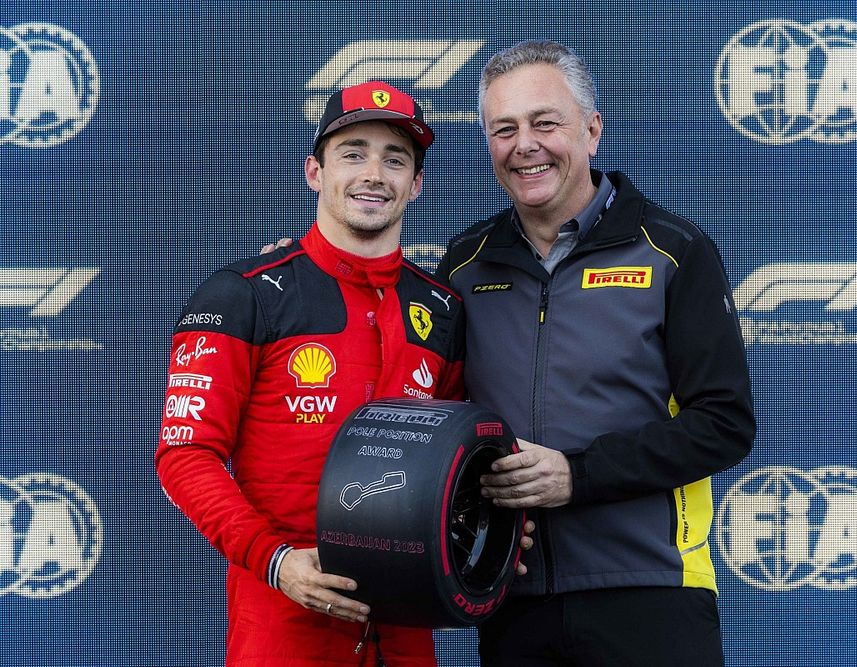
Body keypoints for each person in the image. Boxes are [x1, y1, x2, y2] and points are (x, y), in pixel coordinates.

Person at [434, 40, 756, 666]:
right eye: (504, 129)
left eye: (544, 122)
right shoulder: (465, 265)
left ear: (591, 129)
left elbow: (724, 425)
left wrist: (577, 476)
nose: (524, 144)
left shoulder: (671, 251)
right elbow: (440, 414)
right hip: (511, 601)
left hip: (650, 594)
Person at [156, 81, 468, 666]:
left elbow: (461, 465)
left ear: (416, 184)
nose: (374, 173)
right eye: (353, 153)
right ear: (314, 171)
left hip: (406, 629)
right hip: (280, 621)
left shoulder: (444, 310)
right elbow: (184, 455)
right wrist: (276, 561)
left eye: (394, 159)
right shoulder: (242, 295)